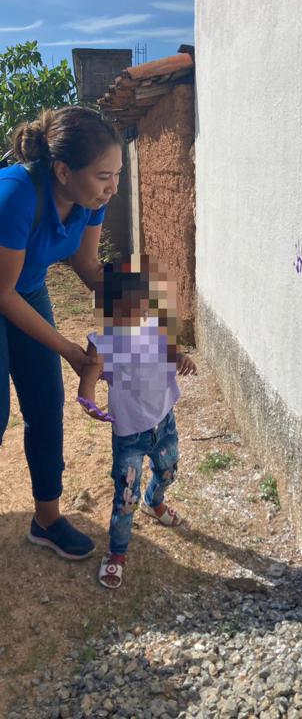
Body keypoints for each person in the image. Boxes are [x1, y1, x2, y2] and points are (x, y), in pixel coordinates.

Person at [0, 106, 123, 560]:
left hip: (25, 288)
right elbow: (2, 294)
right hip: (3, 289)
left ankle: (47, 519)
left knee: (45, 402)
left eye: (117, 174)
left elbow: (87, 264)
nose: (113, 187)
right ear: (63, 171)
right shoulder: (16, 195)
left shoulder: (91, 201)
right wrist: (71, 350)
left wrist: (137, 313)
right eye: (104, 176)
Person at [77, 253, 197, 588]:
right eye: (127, 307)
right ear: (109, 309)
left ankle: (154, 502)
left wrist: (181, 358)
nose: (138, 311)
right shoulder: (103, 344)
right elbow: (89, 377)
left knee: (169, 470)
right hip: (130, 435)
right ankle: (116, 553)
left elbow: (169, 350)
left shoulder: (154, 326)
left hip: (164, 422)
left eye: (141, 304)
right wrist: (88, 399)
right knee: (125, 498)